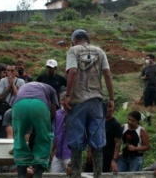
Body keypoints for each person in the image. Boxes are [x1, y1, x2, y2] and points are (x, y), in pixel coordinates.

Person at [64, 29, 115, 178]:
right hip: (96, 102)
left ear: (75, 39)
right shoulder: (100, 51)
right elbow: (107, 74)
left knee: (76, 144)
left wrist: (67, 95)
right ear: (87, 39)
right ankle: (97, 175)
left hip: (78, 102)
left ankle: (76, 175)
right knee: (98, 143)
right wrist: (111, 98)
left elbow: (72, 71)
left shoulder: (73, 50)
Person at [12, 82, 59, 178]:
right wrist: (47, 127)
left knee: (19, 137)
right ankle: (38, 173)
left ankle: (21, 174)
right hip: (39, 105)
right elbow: (53, 110)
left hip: (19, 105)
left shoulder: (24, 86)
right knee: (43, 138)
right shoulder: (51, 89)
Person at [85, 102, 122, 175]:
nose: (107, 109)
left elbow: (117, 143)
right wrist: (89, 151)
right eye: (105, 107)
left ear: (113, 109)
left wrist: (114, 160)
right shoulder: (96, 121)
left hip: (107, 157)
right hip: (94, 154)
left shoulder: (116, 124)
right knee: (88, 174)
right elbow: (92, 136)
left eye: (110, 107)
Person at [141, 54, 156, 125]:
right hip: (147, 88)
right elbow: (142, 77)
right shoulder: (145, 68)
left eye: (148, 58)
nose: (147, 60)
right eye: (146, 58)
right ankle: (148, 120)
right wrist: (144, 77)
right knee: (148, 103)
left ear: (152, 59)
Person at [50, 91, 71, 173]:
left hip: (69, 153)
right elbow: (56, 133)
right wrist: (52, 150)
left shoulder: (74, 114)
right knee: (53, 174)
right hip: (58, 153)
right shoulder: (57, 114)